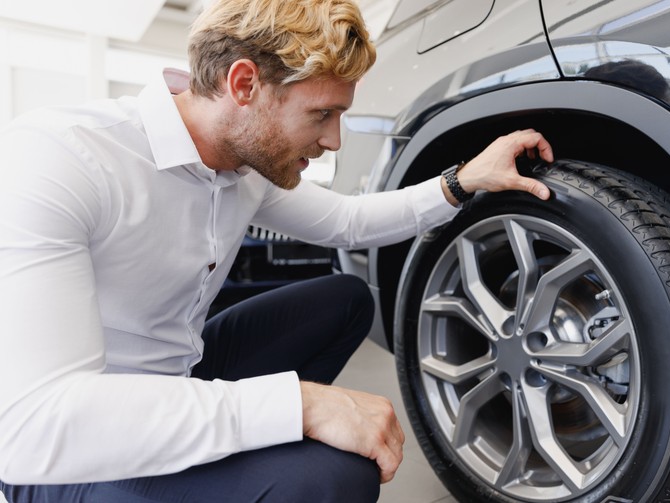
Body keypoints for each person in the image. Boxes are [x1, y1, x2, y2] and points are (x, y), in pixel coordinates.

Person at [0, 0, 554, 501]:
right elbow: (36, 425)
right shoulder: (63, 158)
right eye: (322, 114)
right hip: (68, 454)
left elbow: (347, 221)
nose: (334, 139)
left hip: (179, 376)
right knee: (335, 479)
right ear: (245, 85)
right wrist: (300, 406)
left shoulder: (245, 168)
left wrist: (463, 180)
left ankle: (237, 463)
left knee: (345, 300)